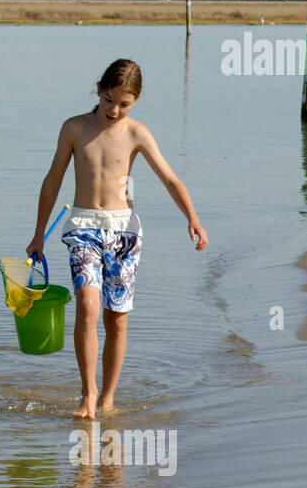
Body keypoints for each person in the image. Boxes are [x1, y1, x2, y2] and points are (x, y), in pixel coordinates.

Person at [26, 59, 208, 419]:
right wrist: (37, 235)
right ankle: (88, 394)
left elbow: (170, 179)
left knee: (116, 318)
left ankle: (108, 397)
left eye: (124, 104)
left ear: (136, 102)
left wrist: (193, 218)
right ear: (99, 89)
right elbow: (52, 180)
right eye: (109, 100)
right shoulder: (74, 128)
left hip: (125, 232)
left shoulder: (137, 133)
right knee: (87, 305)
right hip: (82, 226)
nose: (114, 110)